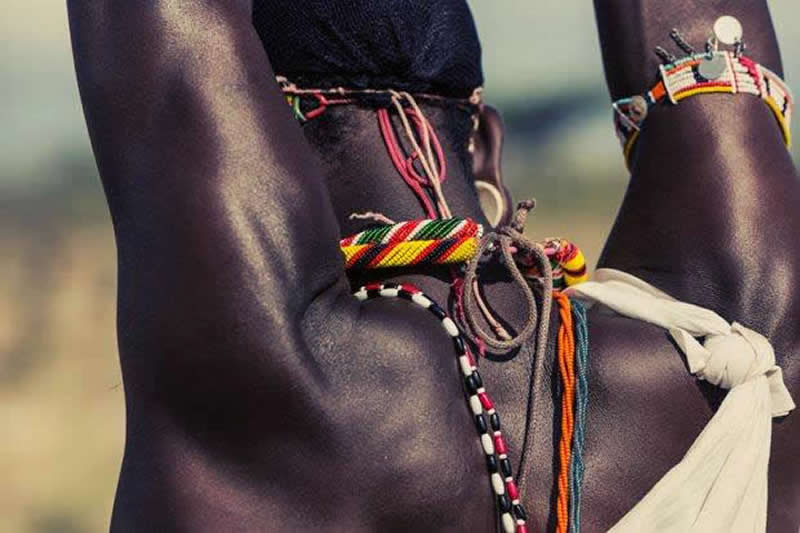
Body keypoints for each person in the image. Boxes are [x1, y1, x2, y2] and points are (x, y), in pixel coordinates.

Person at [67, 0, 799, 530]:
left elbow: (173, 73)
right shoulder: (742, 352)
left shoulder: (271, 379)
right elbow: (709, 55)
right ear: (484, 146)